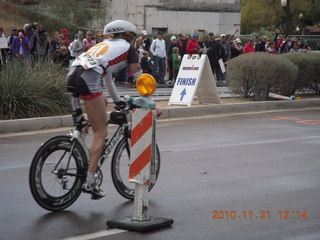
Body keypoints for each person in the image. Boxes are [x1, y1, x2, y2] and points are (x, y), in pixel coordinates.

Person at [66, 20, 145, 199]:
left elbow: (108, 80)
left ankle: (80, 133)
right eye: (132, 37)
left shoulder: (102, 45)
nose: (132, 41)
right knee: (101, 132)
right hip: (89, 78)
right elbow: (136, 71)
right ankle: (90, 182)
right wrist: (145, 96)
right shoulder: (128, 48)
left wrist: (118, 102)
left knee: (102, 102)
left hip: (72, 76)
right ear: (127, 36)